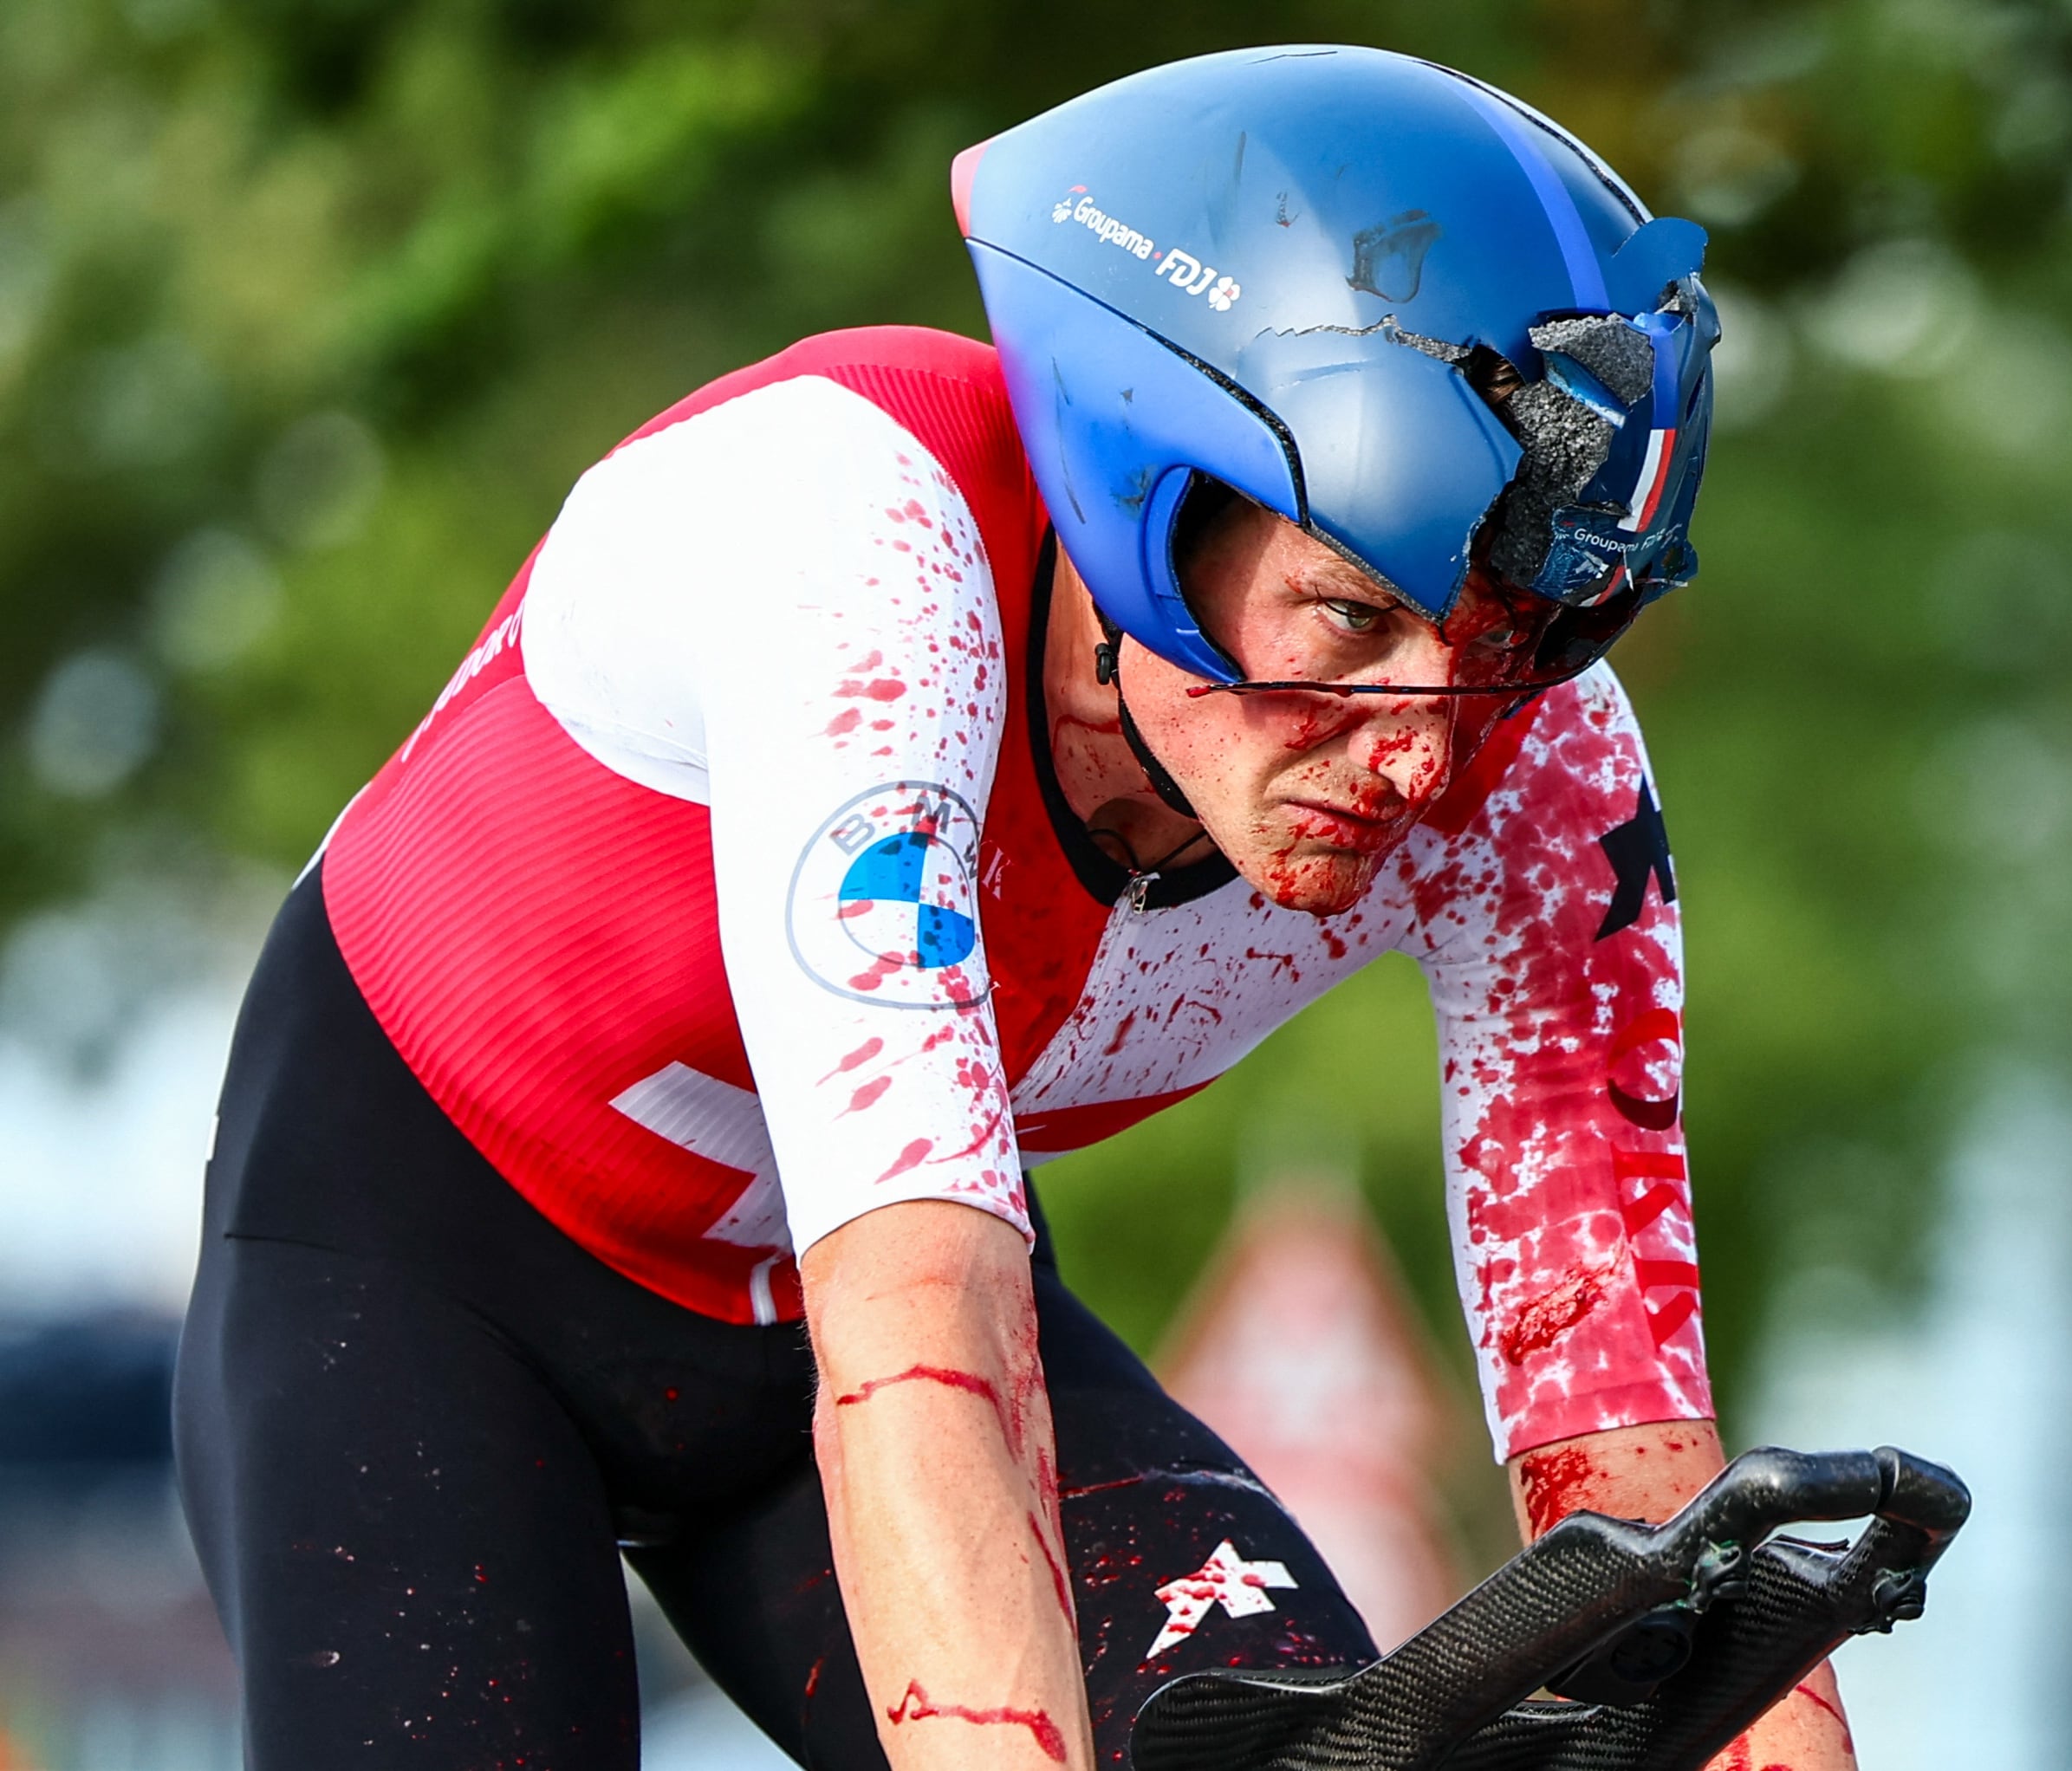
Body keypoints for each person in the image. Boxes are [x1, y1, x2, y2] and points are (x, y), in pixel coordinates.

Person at [173, 44, 1857, 1771]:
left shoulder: (1538, 769)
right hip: (422, 1271)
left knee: (1312, 1757)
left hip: (836, 1310)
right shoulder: (857, 533)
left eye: (1509, 649)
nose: (1428, 755)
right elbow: (918, 1313)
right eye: (1351, 615)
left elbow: (1634, 1447)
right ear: (1151, 485)